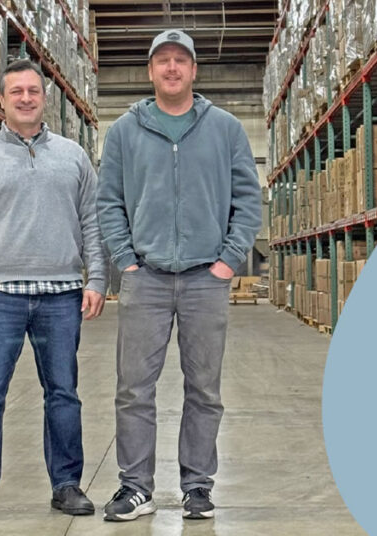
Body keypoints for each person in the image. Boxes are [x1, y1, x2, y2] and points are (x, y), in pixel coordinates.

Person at [96, 29, 262, 522]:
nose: (171, 68)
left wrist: (229, 261)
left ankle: (197, 486)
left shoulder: (226, 128)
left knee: (204, 388)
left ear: (194, 71)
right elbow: (109, 203)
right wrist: (125, 258)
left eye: (180, 61)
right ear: (150, 72)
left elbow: (248, 201)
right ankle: (135, 486)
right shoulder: (125, 131)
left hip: (204, 281)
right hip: (144, 277)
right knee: (134, 389)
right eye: (162, 60)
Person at [0, 59, 106, 521]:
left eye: (33, 90)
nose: (25, 98)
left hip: (60, 295)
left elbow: (92, 223)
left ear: (44, 97)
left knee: (63, 393)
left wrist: (96, 278)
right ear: (2, 99)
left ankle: (67, 484)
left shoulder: (73, 156)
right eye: (16, 91)